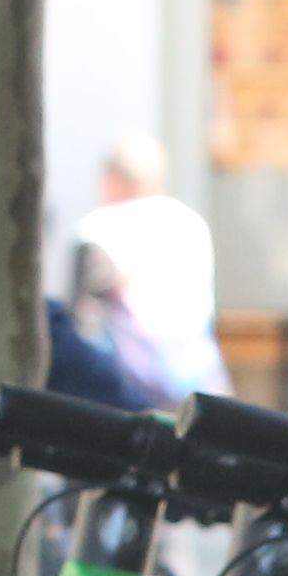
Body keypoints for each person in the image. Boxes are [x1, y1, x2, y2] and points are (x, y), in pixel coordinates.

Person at [71, 132, 224, 405]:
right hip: (198, 377)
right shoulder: (189, 223)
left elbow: (83, 320)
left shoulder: (100, 228)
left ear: (112, 179)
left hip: (132, 384)